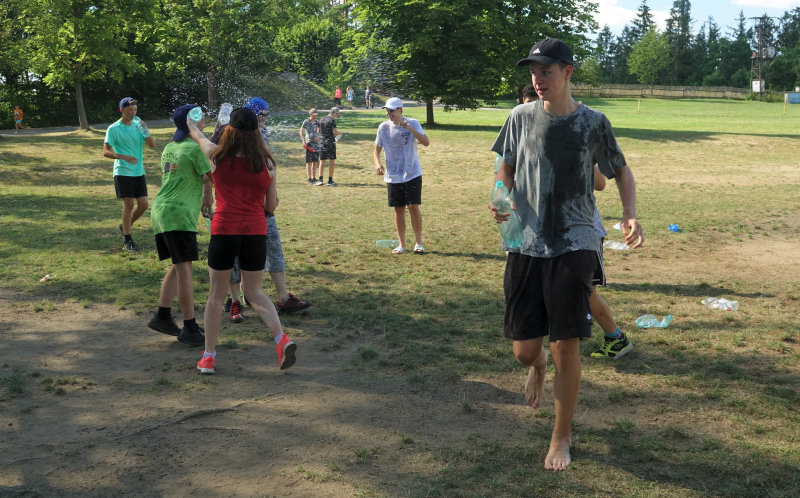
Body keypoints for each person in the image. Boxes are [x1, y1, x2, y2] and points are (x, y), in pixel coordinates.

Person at [489, 38, 643, 471]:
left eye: (547, 71)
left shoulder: (593, 122)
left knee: (565, 346)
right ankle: (536, 366)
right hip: (525, 241)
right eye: (534, 72)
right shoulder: (519, 117)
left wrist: (629, 213)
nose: (538, 79)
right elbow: (505, 166)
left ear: (567, 72)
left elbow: (619, 170)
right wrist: (501, 195)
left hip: (575, 241)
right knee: (525, 351)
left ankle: (561, 436)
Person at [521, 89, 633, 361]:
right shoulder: (523, 133)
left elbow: (601, 182)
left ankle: (615, 337)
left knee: (586, 290)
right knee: (570, 290)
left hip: (582, 233)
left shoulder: (579, 131)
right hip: (543, 233)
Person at [187, 108, 297, 374]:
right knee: (254, 292)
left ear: (230, 130)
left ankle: (209, 357)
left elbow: (198, 136)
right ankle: (281, 340)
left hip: (225, 230)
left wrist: (190, 122)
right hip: (255, 232)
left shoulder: (216, 156)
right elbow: (270, 207)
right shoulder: (267, 163)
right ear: (256, 132)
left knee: (216, 295)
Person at [212, 98, 312, 322]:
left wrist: (271, 193)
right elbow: (212, 164)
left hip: (260, 208)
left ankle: (282, 297)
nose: (265, 119)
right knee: (233, 260)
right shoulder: (228, 135)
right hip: (233, 211)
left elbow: (266, 168)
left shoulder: (262, 134)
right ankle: (236, 300)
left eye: (267, 114)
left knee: (273, 249)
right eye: (262, 115)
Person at [147, 104, 213, 346]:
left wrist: (206, 194)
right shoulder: (194, 149)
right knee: (185, 272)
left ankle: (163, 316)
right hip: (178, 214)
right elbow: (212, 174)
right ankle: (190, 328)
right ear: (192, 123)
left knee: (178, 266)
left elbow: (195, 175)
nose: (204, 120)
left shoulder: (170, 147)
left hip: (162, 211)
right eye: (200, 118)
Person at [373, 97, 430, 255]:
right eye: (387, 110)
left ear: (400, 110)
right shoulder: (383, 127)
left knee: (413, 206)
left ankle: (418, 243)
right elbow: (376, 150)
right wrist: (378, 164)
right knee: (398, 209)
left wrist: (410, 128)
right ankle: (401, 244)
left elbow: (426, 142)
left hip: (412, 172)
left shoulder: (413, 122)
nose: (389, 113)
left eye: (392, 110)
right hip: (393, 174)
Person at [103, 97, 156, 252]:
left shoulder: (138, 124)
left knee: (144, 204)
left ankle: (125, 226)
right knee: (129, 204)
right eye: (129, 110)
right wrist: (122, 157)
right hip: (122, 171)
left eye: (135, 110)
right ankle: (128, 240)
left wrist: (145, 130)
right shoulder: (114, 128)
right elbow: (105, 151)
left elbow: (152, 144)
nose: (133, 113)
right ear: (122, 110)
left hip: (138, 171)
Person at [316, 107, 342, 186]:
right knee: (332, 161)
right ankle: (330, 181)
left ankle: (320, 180)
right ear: (334, 113)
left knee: (322, 161)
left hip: (322, 142)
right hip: (330, 142)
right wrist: (340, 133)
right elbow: (335, 132)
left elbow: (318, 131)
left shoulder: (321, 119)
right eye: (337, 114)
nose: (337, 116)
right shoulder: (332, 120)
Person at [300, 108, 321, 185]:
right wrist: (303, 141)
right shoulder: (306, 122)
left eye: (316, 115)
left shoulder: (317, 122)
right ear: (310, 114)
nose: (315, 117)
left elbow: (320, 131)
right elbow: (301, 131)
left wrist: (318, 136)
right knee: (309, 162)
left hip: (316, 145)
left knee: (315, 161)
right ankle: (309, 179)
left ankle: (314, 178)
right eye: (314, 115)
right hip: (308, 144)